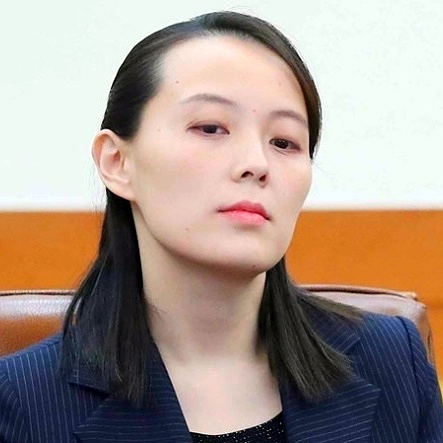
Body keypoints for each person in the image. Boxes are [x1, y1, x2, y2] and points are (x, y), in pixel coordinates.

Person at [0, 11, 442, 443]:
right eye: (211, 128)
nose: (256, 163)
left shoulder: (394, 365)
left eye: (284, 142)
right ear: (117, 162)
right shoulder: (23, 402)